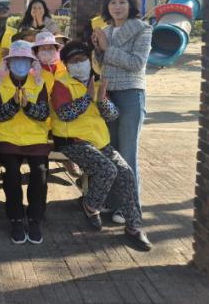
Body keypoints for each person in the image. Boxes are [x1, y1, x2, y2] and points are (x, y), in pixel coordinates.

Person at [50, 41, 152, 251]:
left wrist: (102, 100)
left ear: (90, 61)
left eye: (83, 59)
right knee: (107, 169)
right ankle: (91, 205)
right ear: (66, 65)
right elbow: (64, 114)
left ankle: (134, 226)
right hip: (72, 141)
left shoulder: (98, 83)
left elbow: (112, 115)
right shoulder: (61, 84)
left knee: (126, 173)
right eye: (74, 61)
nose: (79, 64)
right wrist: (87, 98)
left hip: (99, 141)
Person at [92, 0, 151, 225]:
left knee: (127, 152)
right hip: (108, 94)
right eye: (113, 3)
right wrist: (98, 50)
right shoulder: (106, 30)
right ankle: (113, 200)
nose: (117, 7)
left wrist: (107, 48)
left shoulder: (143, 29)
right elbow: (101, 66)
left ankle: (130, 207)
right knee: (111, 151)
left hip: (130, 94)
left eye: (122, 2)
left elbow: (137, 63)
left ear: (131, 5)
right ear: (107, 7)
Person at [0, 40, 51, 244]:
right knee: (12, 174)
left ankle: (35, 219)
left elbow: (43, 114)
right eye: (16, 59)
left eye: (24, 59)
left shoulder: (39, 83)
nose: (20, 63)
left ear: (31, 62)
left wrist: (27, 106)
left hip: (36, 139)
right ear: (8, 62)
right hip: (8, 138)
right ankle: (16, 218)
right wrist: (14, 103)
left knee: (40, 173)